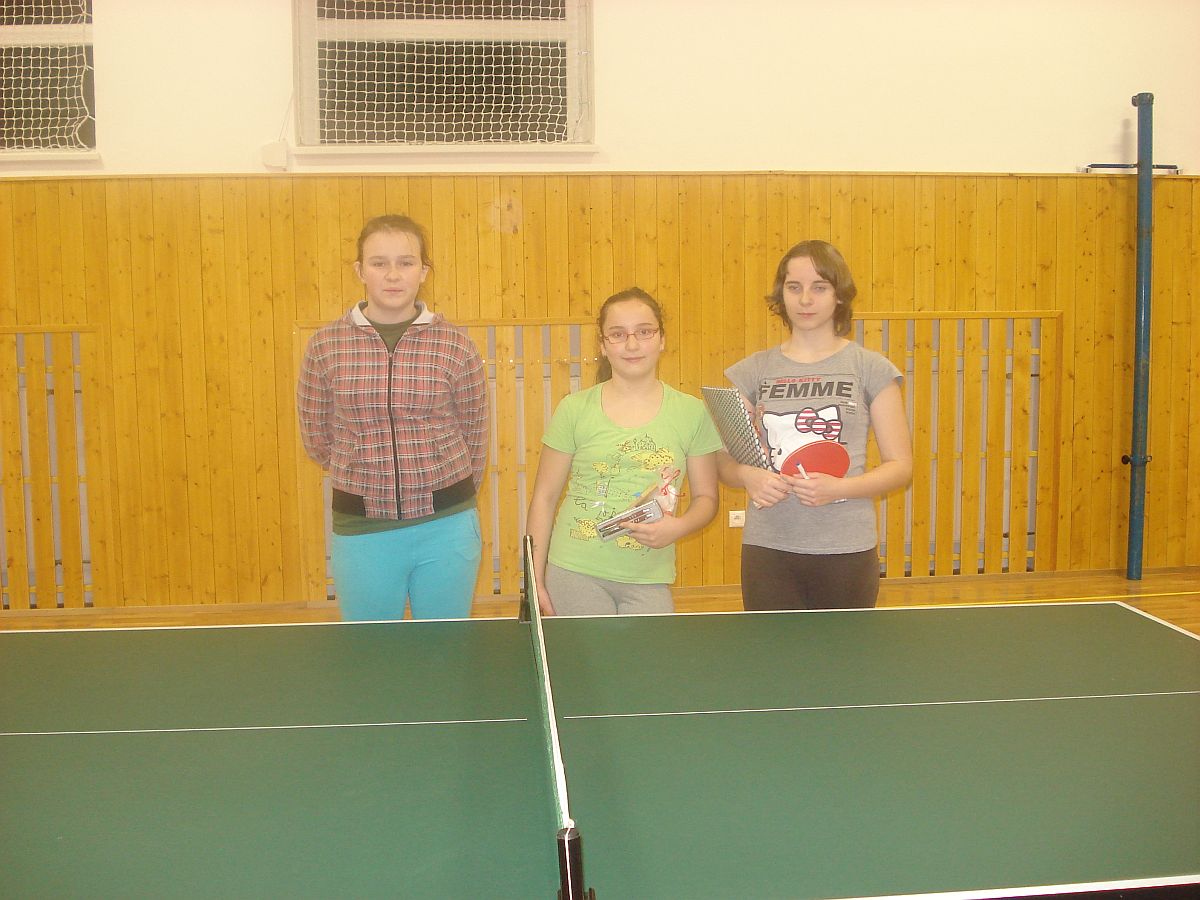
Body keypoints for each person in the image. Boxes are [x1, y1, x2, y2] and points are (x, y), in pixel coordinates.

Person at [297, 214, 488, 621]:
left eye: (405, 262)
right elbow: (317, 437)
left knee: (444, 648)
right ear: (360, 271)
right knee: (371, 650)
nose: (393, 275)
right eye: (379, 263)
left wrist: (443, 488)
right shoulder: (325, 345)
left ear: (423, 272)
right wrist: (363, 473)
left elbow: (475, 431)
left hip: (447, 527)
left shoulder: (456, 343)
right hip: (362, 531)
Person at [718, 240, 912, 610]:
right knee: (772, 648)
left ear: (839, 295)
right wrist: (746, 475)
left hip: (846, 548)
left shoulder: (871, 368)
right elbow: (723, 461)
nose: (805, 299)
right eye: (794, 287)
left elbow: (900, 466)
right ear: (782, 294)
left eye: (819, 287)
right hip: (769, 548)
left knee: (842, 649)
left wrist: (840, 488)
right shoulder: (752, 371)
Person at [527, 288, 722, 616]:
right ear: (603, 346)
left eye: (644, 332)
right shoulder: (574, 409)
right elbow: (544, 498)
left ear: (661, 339)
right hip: (574, 571)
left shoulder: (692, 413)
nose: (632, 344)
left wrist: (679, 527)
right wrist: (534, 579)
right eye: (618, 334)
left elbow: (707, 499)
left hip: (649, 578)